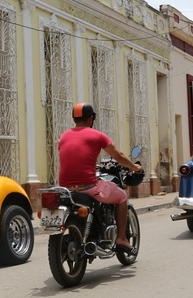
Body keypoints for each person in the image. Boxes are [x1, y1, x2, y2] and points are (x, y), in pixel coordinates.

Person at [58, 102, 143, 251]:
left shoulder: (64, 136)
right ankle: (121, 238)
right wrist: (135, 167)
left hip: (65, 188)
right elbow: (118, 156)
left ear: (74, 119)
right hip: (88, 186)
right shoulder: (97, 135)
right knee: (122, 196)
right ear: (91, 118)